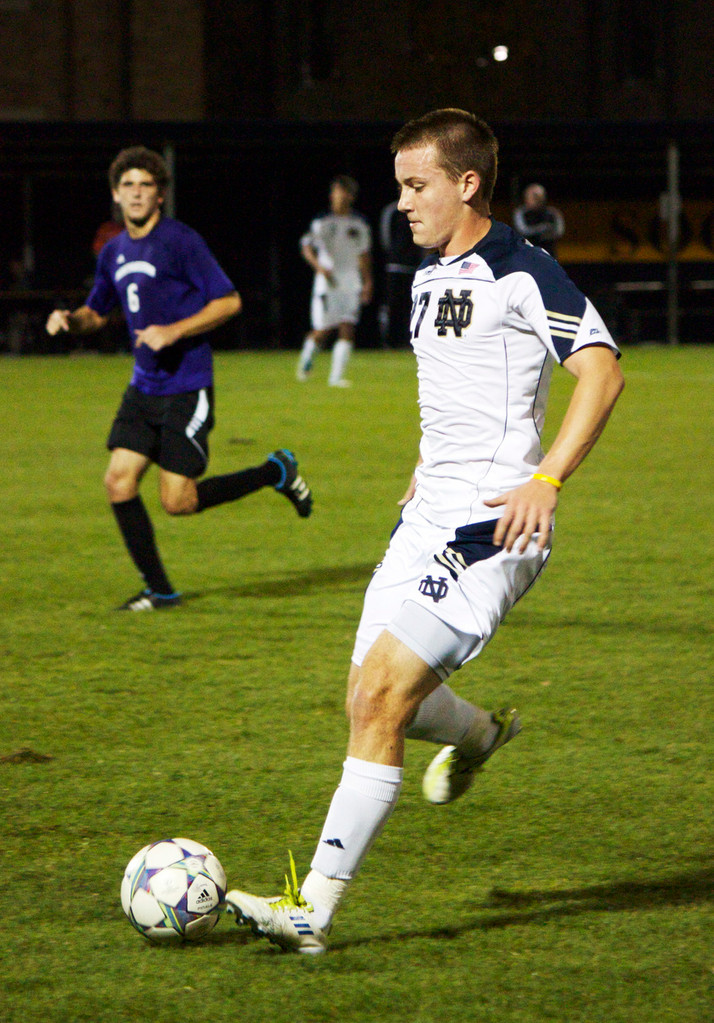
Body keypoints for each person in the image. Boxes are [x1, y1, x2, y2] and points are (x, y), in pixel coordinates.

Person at [225, 109, 624, 954]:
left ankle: (312, 910)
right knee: (366, 699)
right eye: (399, 186)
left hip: (494, 526)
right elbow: (453, 392)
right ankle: (481, 732)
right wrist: (424, 464)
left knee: (379, 696)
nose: (401, 203)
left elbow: (602, 369)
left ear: (467, 183)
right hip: (424, 517)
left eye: (417, 186)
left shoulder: (524, 271)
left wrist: (547, 477)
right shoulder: (425, 275)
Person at [46, 146, 312, 612]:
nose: (136, 193)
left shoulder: (181, 241)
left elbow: (228, 301)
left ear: (160, 195)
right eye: (127, 185)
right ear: (115, 193)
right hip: (142, 387)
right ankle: (160, 591)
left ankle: (276, 471)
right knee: (118, 482)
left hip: (187, 387)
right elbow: (97, 311)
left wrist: (174, 330)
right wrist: (70, 320)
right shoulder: (113, 250)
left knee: (178, 501)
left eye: (145, 185)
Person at [296, 175, 373, 387]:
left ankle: (336, 377)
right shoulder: (321, 222)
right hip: (328, 282)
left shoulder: (359, 223)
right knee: (322, 330)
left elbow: (364, 254)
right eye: (335, 192)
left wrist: (367, 281)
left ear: (350, 196)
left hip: (351, 281)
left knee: (348, 326)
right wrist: (319, 267)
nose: (337, 196)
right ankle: (307, 359)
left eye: (341, 192)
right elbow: (306, 247)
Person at [378, 198, 425, 347]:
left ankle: (409, 341)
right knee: (392, 306)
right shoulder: (392, 210)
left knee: (412, 306)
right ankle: (387, 340)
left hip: (414, 267)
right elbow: (385, 237)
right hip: (395, 266)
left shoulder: (421, 210)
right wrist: (395, 254)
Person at [513, 182, 565, 257]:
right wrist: (542, 229)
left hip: (547, 253)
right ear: (526, 197)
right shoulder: (521, 213)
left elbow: (559, 232)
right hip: (526, 254)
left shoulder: (552, 213)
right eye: (533, 197)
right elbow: (523, 231)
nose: (537, 200)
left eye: (539, 197)